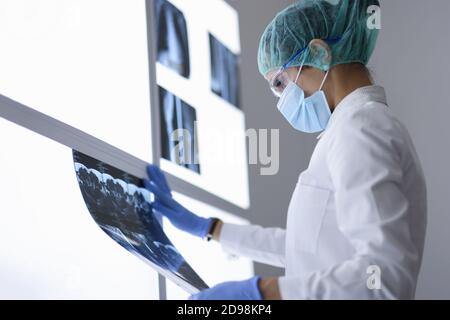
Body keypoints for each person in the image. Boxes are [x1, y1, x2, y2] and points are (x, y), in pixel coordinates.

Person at [144, 0, 427, 300]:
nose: (282, 99)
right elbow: (306, 246)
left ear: (318, 53)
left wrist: (264, 293)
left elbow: (384, 277)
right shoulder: (351, 130)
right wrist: (212, 228)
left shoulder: (362, 129)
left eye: (280, 82)